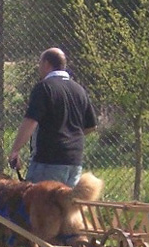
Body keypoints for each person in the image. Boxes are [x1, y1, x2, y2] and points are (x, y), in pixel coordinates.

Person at [7, 47, 97, 187]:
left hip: (48, 161)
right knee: (65, 207)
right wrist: (71, 137)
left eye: (40, 63)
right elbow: (91, 126)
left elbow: (30, 121)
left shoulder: (43, 88)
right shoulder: (79, 90)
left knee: (37, 205)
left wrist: (15, 151)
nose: (39, 68)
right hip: (74, 161)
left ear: (46, 64)